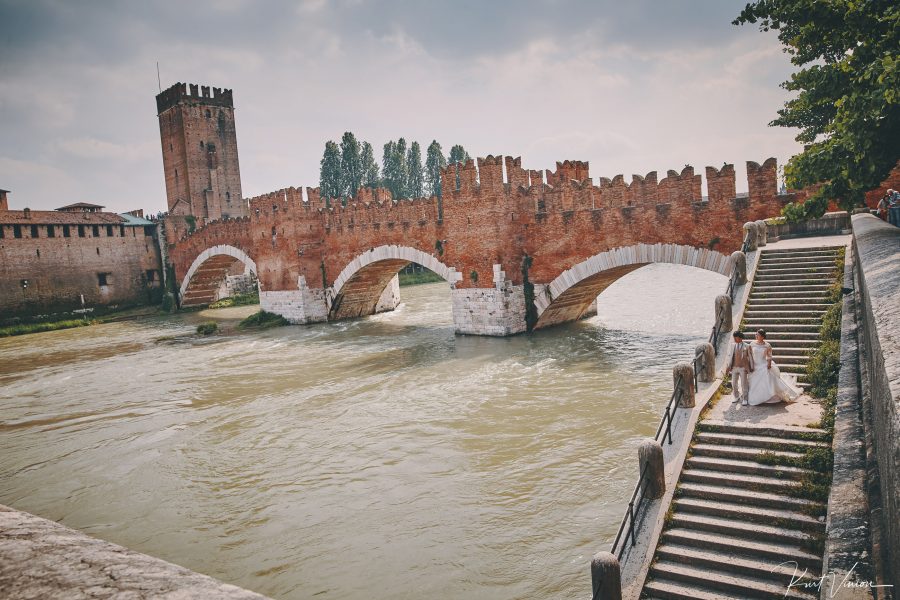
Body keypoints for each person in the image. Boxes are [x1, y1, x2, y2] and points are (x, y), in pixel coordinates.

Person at [747, 329, 802, 405]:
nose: (756, 336)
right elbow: (749, 354)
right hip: (755, 364)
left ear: (762, 337)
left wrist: (769, 364)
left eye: (758, 335)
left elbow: (769, 356)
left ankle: (769, 396)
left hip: (763, 364)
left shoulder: (767, 345)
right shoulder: (752, 344)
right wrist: (750, 364)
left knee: (767, 377)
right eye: (756, 334)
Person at [729, 331, 754, 405]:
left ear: (739, 337)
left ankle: (745, 398)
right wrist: (728, 366)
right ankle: (736, 396)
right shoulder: (732, 345)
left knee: (744, 383)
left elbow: (750, 357)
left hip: (743, 368)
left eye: (735, 337)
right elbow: (730, 356)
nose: (734, 339)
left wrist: (751, 367)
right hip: (734, 367)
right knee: (734, 383)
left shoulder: (747, 346)